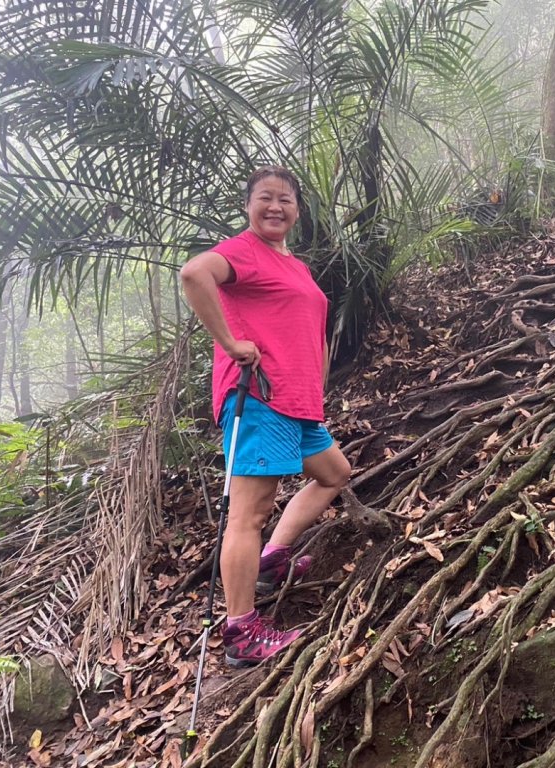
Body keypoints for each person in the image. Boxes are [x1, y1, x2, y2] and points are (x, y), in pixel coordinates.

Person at [180, 165, 351, 667]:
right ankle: (241, 633)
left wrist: (317, 383)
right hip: (258, 398)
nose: (275, 207)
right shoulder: (242, 251)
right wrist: (231, 344)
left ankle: (272, 559)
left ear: (298, 210)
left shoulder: (293, 263)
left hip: (298, 403)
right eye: (265, 198)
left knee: (334, 474)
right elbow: (194, 274)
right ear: (248, 205)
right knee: (248, 514)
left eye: (286, 200)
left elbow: (308, 326)